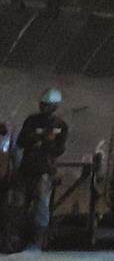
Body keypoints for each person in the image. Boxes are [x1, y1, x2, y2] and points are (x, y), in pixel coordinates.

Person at [14, 89, 68, 251]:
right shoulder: (31, 121)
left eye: (47, 105)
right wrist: (38, 138)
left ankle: (37, 240)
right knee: (20, 203)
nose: (44, 108)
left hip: (44, 170)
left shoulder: (60, 125)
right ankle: (19, 238)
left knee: (41, 205)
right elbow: (21, 141)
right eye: (43, 104)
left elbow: (59, 149)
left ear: (54, 106)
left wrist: (47, 142)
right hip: (27, 168)